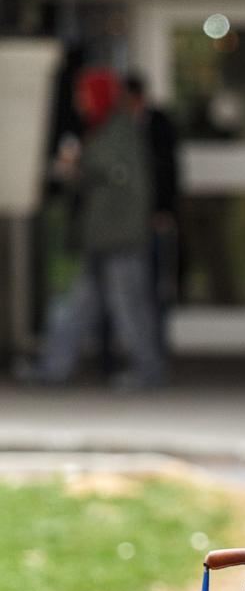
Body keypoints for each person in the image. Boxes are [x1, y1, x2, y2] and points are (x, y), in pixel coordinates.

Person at [25, 68, 165, 390]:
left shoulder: (119, 132)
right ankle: (53, 368)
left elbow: (117, 180)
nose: (79, 102)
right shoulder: (101, 130)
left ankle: (147, 372)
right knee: (77, 308)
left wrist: (77, 167)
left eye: (84, 94)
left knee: (129, 308)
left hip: (121, 240)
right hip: (101, 239)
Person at [124, 71, 180, 356]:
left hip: (153, 216)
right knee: (131, 290)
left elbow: (169, 170)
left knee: (156, 285)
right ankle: (138, 354)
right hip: (127, 222)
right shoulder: (117, 126)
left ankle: (156, 350)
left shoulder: (159, 124)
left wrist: (165, 210)